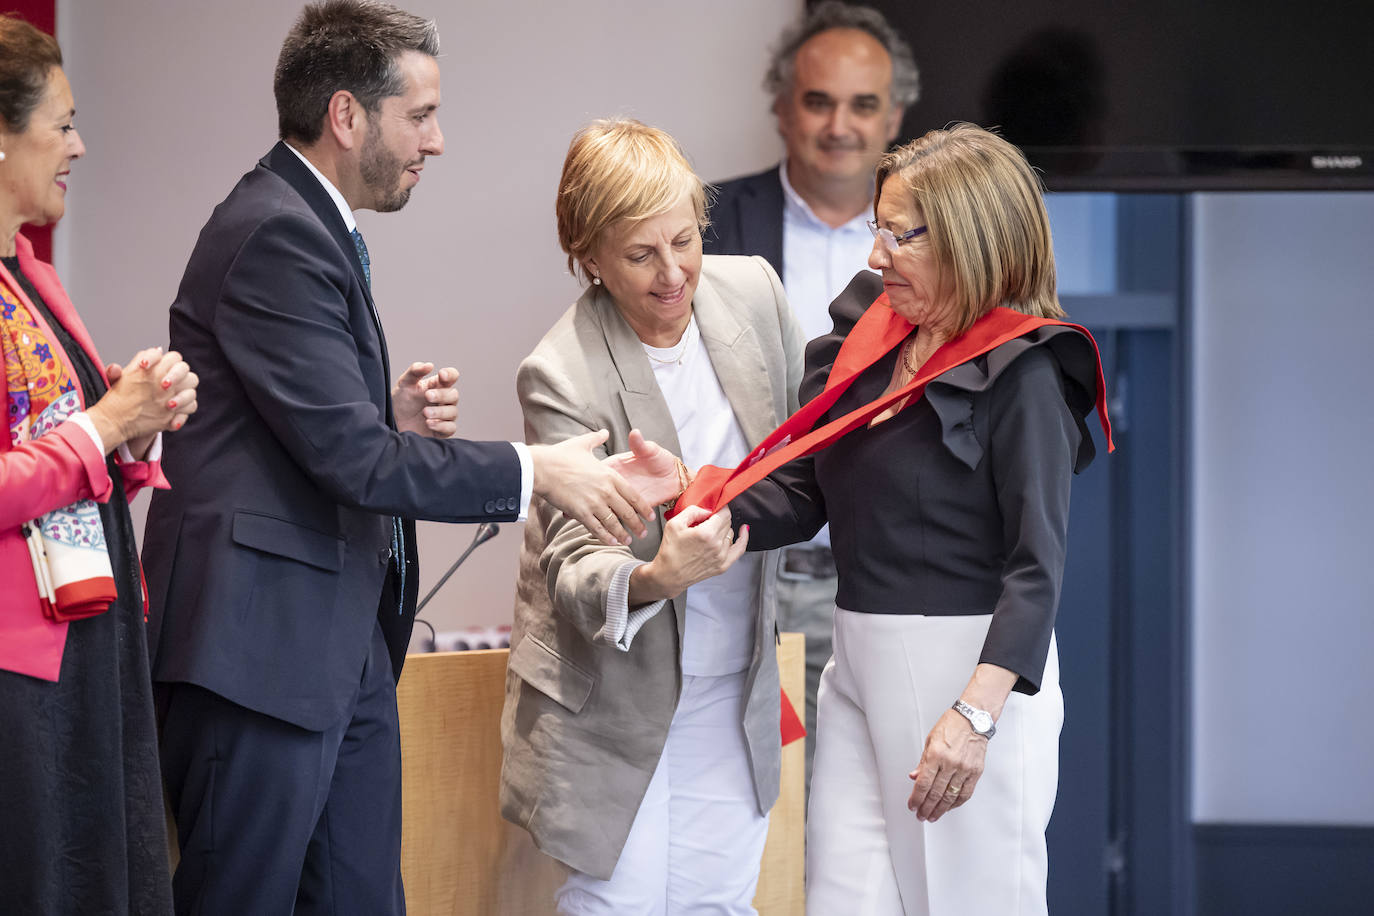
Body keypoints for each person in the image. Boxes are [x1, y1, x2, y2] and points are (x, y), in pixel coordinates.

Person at [139, 5, 657, 914]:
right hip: (259, 652)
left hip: (334, 654)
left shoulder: (305, 221)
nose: (437, 140)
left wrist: (387, 416)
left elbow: (315, 436)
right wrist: (539, 471)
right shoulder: (276, 231)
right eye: (420, 115)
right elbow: (353, 462)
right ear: (346, 115)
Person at [636, 124, 1109, 914]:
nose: (875, 255)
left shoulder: (1024, 371)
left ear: (967, 239)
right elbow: (803, 494)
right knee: (840, 900)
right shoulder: (870, 333)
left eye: (899, 234)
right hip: (854, 658)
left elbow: (1038, 567)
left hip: (968, 672)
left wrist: (975, 716)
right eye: (876, 229)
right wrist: (689, 489)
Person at [499, 118, 806, 914]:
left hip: (734, 672)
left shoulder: (755, 293)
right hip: (611, 696)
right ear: (589, 256)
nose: (673, 274)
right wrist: (655, 576)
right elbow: (571, 565)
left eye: (685, 240)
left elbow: (803, 457)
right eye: (640, 255)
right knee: (617, 906)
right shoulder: (561, 370)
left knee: (719, 904)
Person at [0, 15, 198, 914]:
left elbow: (62, 436)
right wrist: (103, 424)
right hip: (22, 666)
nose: (79, 147)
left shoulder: (29, 273)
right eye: (64, 124)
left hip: (87, 638)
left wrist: (135, 421)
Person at [704, 0, 921, 786]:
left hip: (893, 581)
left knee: (879, 812)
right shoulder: (706, 227)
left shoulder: (941, 241)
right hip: (747, 577)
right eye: (819, 101)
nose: (840, 126)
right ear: (782, 106)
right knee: (759, 810)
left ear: (894, 117)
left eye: (863, 105)